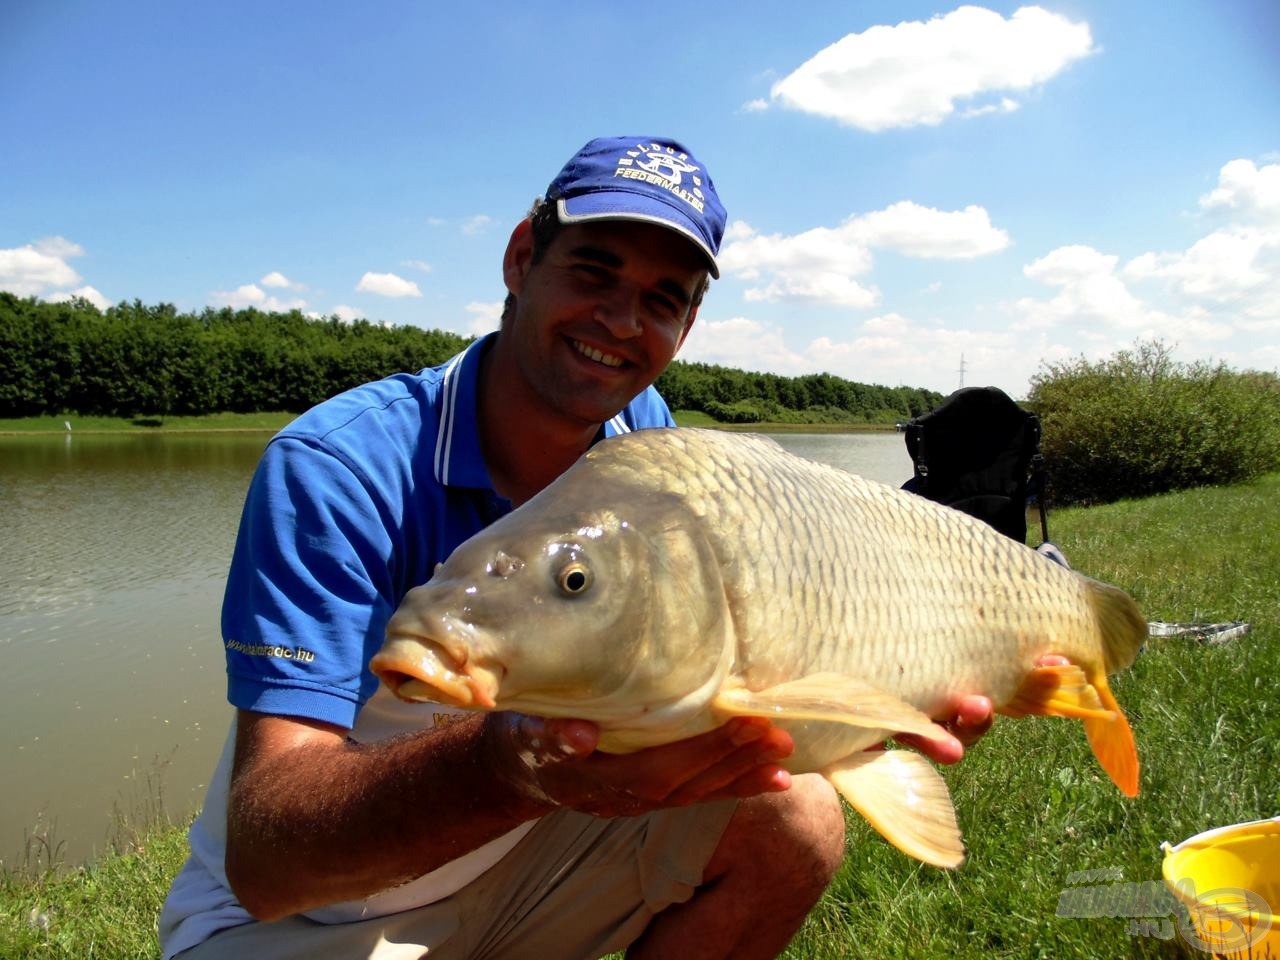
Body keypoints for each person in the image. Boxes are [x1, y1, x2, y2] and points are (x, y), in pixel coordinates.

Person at [159, 136, 998, 960]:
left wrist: (875, 695)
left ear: (688, 323)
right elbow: (269, 865)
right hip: (305, 920)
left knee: (793, 817)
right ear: (522, 257)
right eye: (594, 273)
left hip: (520, 866)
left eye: (663, 299)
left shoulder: (651, 452)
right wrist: (514, 765)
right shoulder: (339, 470)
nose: (621, 322)